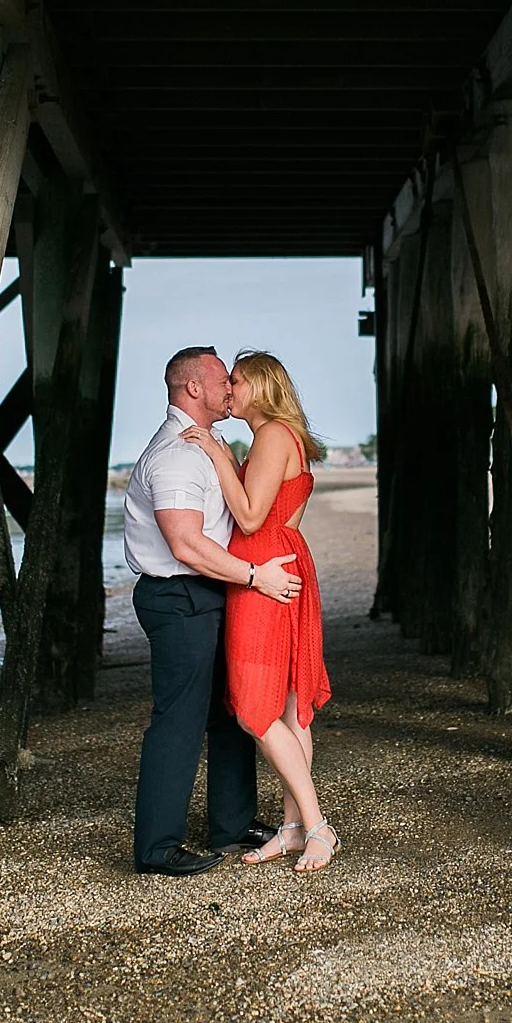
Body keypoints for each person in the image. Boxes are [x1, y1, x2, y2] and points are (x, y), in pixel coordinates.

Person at [126, 345, 304, 877]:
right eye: (222, 380)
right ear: (193, 389)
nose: (230, 387)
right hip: (180, 597)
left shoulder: (208, 447)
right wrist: (255, 576)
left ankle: (232, 824)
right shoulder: (177, 454)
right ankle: (157, 847)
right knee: (178, 720)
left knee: (229, 713)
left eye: (234, 380)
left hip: (213, 591)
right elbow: (185, 544)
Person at [181, 351, 338, 873]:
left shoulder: (271, 435)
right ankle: (293, 827)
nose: (230, 388)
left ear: (263, 387)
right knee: (291, 709)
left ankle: (316, 826)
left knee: (255, 710)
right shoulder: (279, 435)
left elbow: (249, 518)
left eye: (238, 381)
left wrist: (219, 455)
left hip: (265, 576)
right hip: (279, 566)